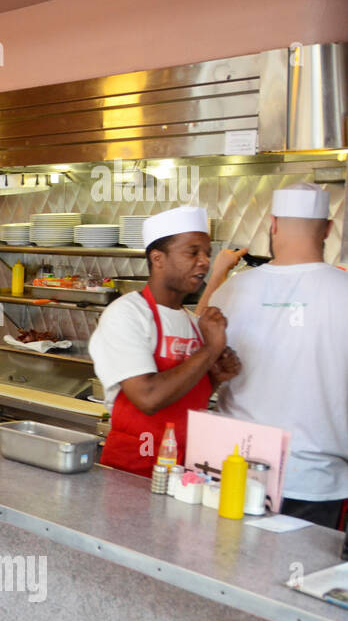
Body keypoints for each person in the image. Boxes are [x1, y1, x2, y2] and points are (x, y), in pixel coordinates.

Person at [199, 183, 348, 539]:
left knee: (223, 573)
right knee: (296, 589)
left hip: (233, 471)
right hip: (314, 480)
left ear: (274, 225)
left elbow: (200, 347)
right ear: (327, 229)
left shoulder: (232, 290)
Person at [89, 205, 241, 477]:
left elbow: (187, 396)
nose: (204, 261)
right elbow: (148, 397)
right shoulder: (127, 314)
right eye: (192, 252)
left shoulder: (193, 323)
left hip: (186, 472)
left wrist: (216, 376)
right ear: (158, 258)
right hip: (133, 474)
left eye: (207, 253)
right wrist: (211, 350)